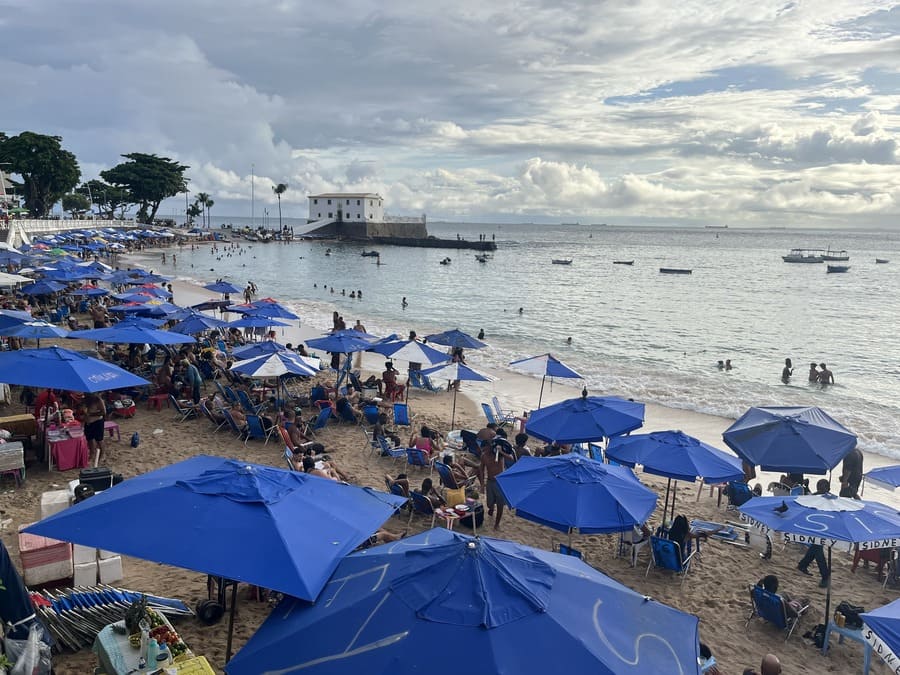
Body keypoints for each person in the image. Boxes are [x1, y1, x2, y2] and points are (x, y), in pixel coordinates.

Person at [798, 479, 831, 587]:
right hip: (815, 527)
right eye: (819, 488)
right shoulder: (815, 497)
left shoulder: (830, 499)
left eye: (823, 488)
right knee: (818, 550)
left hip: (822, 527)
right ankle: (825, 576)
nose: (821, 490)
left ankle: (803, 564)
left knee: (816, 548)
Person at [479, 438, 515, 530]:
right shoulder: (483, 456)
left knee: (500, 504)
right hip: (490, 481)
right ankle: (491, 508)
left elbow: (511, 458)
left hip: (500, 483)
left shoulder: (499, 455)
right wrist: (482, 484)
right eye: (483, 450)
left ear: (490, 447)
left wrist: (501, 452)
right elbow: (481, 470)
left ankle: (497, 524)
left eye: (485, 449)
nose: (484, 451)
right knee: (489, 504)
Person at [82, 393, 107, 466]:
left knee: (99, 440)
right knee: (90, 439)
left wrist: (91, 414)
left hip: (97, 422)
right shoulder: (85, 399)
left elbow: (103, 412)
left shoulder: (98, 399)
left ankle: (102, 454)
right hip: (88, 422)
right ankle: (92, 455)